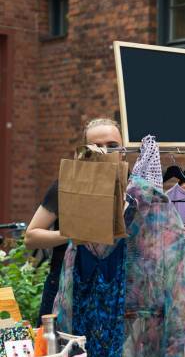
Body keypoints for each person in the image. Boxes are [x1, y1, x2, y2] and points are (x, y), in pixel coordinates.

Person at [24, 118, 123, 323]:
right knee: (60, 352)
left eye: (112, 146)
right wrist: (73, 233)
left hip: (117, 291)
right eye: (96, 146)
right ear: (84, 150)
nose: (105, 152)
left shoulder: (135, 188)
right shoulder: (67, 184)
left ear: (123, 148)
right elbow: (31, 237)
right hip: (65, 286)